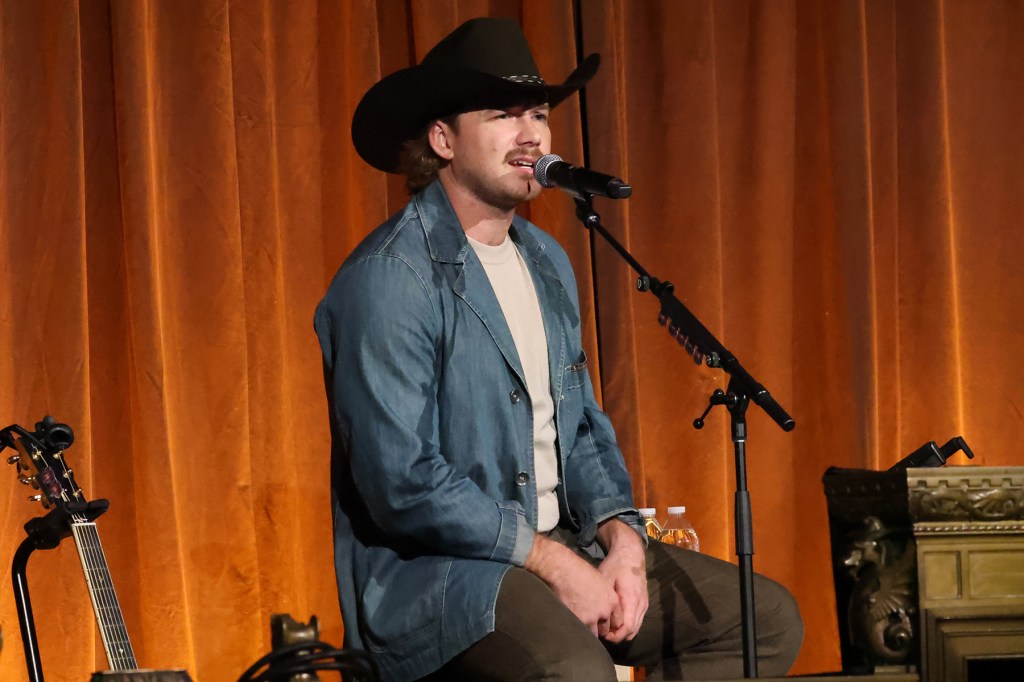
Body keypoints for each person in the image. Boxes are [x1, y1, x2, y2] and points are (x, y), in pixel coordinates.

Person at [315, 17, 802, 682]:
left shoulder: (545, 260)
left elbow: (581, 431)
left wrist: (622, 540)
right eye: (502, 115)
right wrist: (551, 562)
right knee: (574, 671)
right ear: (442, 139)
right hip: (444, 576)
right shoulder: (391, 278)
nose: (531, 135)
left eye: (538, 115)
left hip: (562, 544)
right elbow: (402, 482)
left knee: (765, 621)